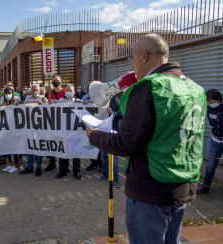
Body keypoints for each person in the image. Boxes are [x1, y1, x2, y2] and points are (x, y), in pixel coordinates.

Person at [86, 34, 206, 243]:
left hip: (151, 187)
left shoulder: (149, 87)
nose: (131, 65)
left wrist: (94, 135)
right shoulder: (196, 89)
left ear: (143, 56)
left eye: (131, 58)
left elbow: (125, 144)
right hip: (184, 183)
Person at [197, 89, 223, 206]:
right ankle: (205, 186)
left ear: (218, 99)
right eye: (208, 102)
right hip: (215, 141)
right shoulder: (210, 108)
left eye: (212, 101)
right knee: (210, 165)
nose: (210, 103)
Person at [19, 84, 48, 177]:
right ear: (30, 90)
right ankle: (29, 167)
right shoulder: (27, 98)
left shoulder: (43, 98)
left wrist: (43, 105)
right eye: (32, 90)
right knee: (30, 146)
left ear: (39, 91)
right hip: (29, 126)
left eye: (36, 90)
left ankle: (38, 167)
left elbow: (49, 110)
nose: (34, 91)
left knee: (38, 147)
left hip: (40, 126)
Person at [55, 84, 82, 179]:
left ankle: (76, 171)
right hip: (64, 131)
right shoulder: (59, 102)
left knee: (76, 152)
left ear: (74, 92)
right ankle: (63, 170)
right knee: (63, 151)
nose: (68, 92)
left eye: (70, 90)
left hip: (75, 131)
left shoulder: (79, 102)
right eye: (67, 90)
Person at [98, 95, 122, 188]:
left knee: (113, 156)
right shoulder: (98, 101)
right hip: (101, 131)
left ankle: (115, 177)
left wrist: (113, 113)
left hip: (112, 131)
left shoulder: (116, 100)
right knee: (103, 155)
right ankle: (106, 173)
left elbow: (122, 114)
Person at [44, 74, 66, 171]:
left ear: (61, 81)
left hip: (63, 122)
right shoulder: (47, 94)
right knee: (51, 143)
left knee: (63, 143)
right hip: (51, 122)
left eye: (57, 80)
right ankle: (52, 163)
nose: (55, 82)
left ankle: (64, 166)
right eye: (53, 80)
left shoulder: (66, 92)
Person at [0, 88, 21, 173]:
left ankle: (15, 164)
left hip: (14, 128)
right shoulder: (3, 103)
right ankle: (10, 163)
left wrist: (18, 105)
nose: (8, 95)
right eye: (6, 93)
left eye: (9, 93)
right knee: (7, 146)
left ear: (12, 94)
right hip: (6, 128)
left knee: (14, 147)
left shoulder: (15, 103)